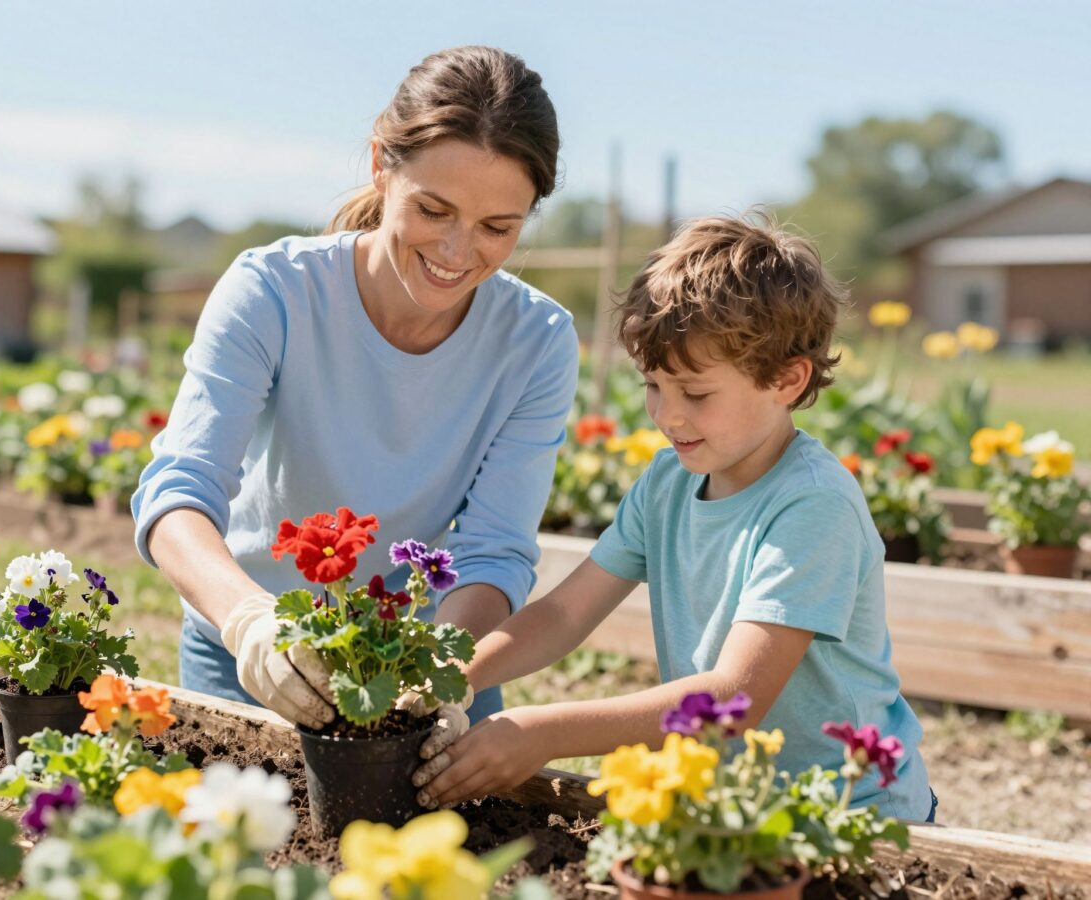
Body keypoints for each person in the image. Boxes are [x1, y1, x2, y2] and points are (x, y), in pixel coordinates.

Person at [131, 46, 578, 754]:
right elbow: (177, 493)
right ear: (381, 165)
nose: (459, 253)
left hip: (436, 655)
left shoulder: (537, 340)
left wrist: (435, 671)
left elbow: (495, 552)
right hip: (257, 650)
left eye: (499, 227)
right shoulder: (273, 293)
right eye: (434, 210)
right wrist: (249, 622)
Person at [415, 214, 936, 822]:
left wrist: (542, 732)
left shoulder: (812, 504)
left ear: (786, 381)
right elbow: (562, 614)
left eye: (696, 393)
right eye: (653, 385)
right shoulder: (667, 483)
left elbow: (732, 698)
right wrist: (457, 672)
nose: (667, 415)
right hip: (735, 804)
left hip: (853, 811)